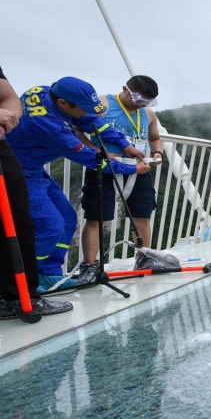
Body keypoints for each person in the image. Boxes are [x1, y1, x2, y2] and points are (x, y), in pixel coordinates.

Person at [6, 77, 148, 290]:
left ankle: (49, 273)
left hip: (33, 168)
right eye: (82, 108)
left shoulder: (49, 93)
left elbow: (91, 120)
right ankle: (25, 281)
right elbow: (94, 160)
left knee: (67, 217)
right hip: (16, 171)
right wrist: (133, 169)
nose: (85, 112)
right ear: (63, 103)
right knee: (49, 225)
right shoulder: (49, 127)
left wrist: (124, 144)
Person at [0, 66, 73, 319]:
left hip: (6, 151)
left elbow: (9, 97)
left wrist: (5, 115)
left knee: (19, 223)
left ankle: (22, 294)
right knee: (49, 224)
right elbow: (78, 150)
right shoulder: (48, 122)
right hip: (27, 166)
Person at [76, 75, 163, 281]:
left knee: (142, 214)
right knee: (98, 216)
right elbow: (77, 129)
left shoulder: (148, 113)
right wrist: (97, 151)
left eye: (146, 101)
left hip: (139, 167)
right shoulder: (102, 104)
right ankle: (89, 266)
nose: (141, 104)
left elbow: (154, 137)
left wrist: (158, 152)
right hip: (105, 166)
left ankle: (144, 257)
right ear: (125, 89)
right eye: (138, 98)